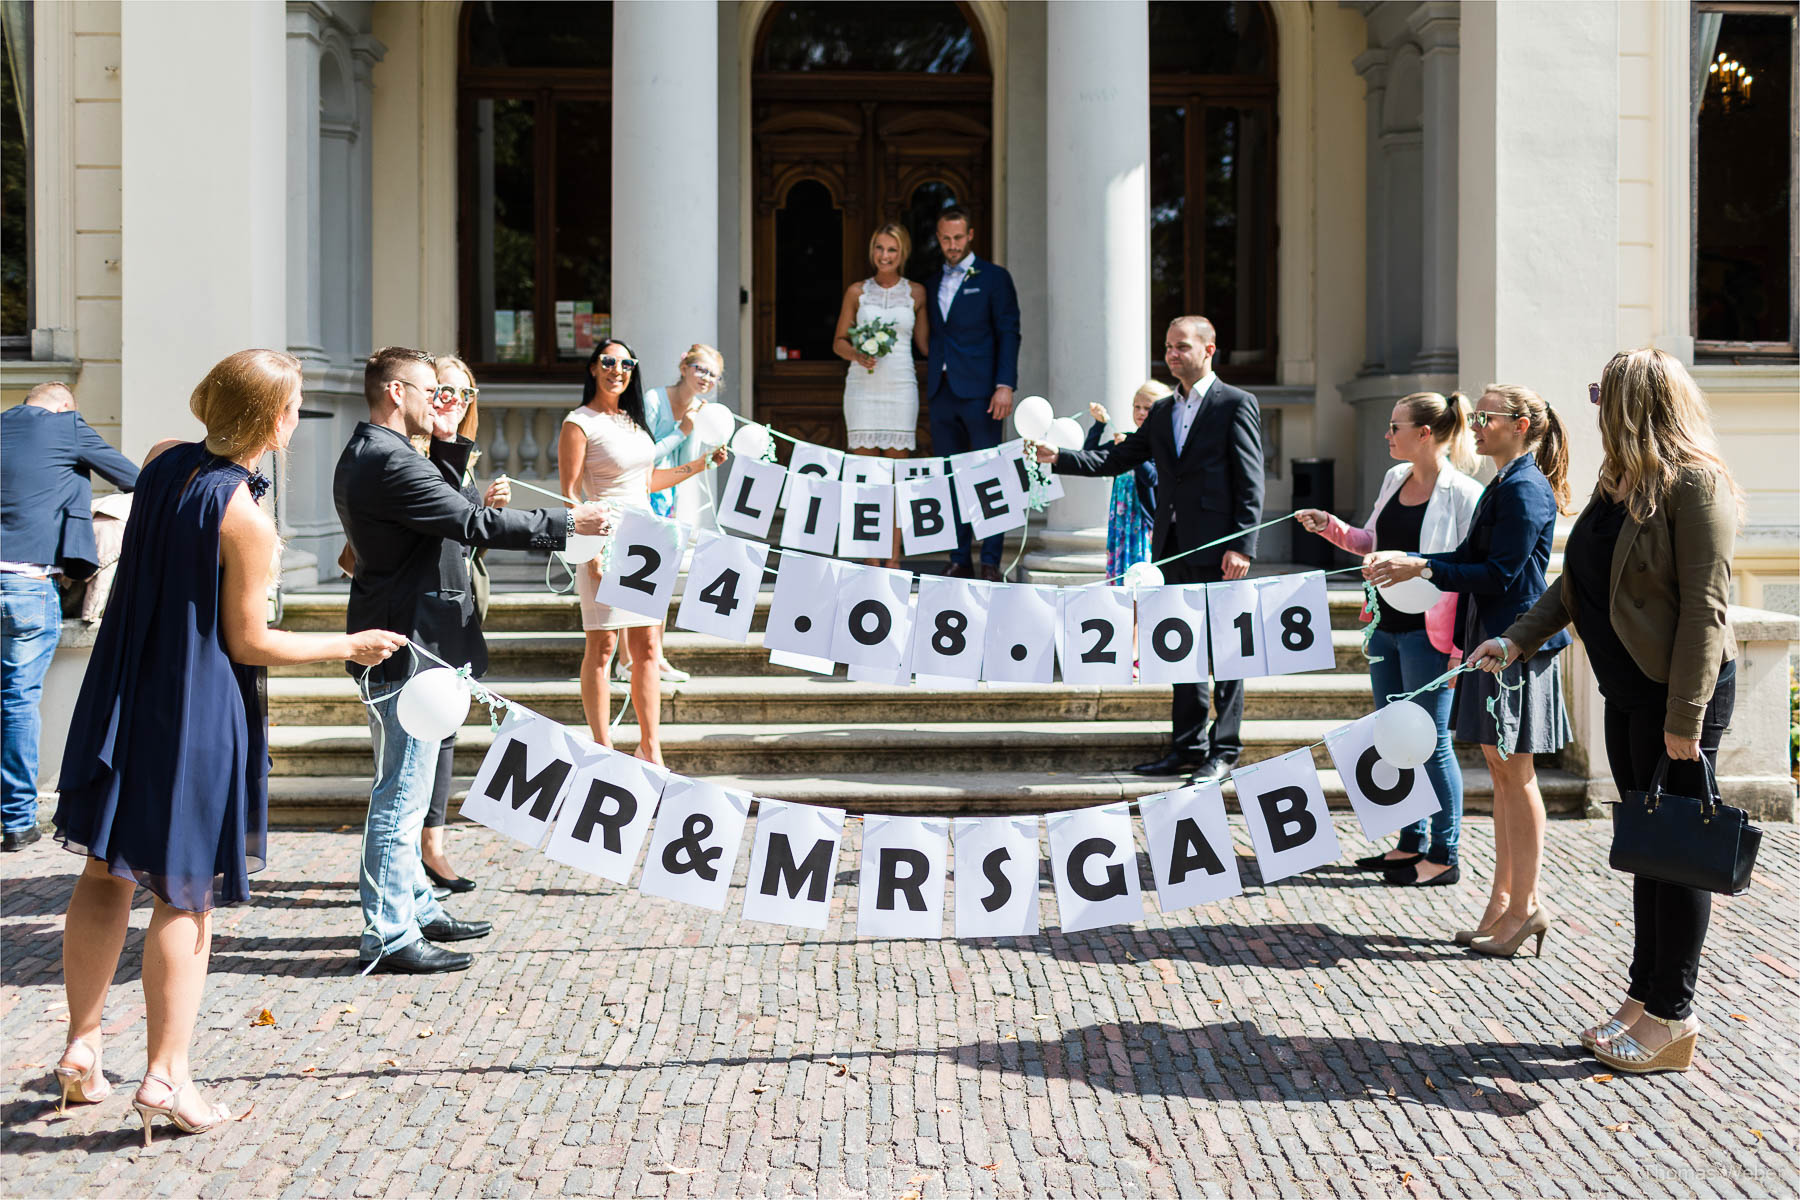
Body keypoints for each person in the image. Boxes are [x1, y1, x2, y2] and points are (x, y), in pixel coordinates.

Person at [51, 349, 408, 1141]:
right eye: (295, 408)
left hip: (125, 690)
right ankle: (166, 1076)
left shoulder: (159, 460)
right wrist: (347, 645)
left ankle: (82, 1046)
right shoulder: (246, 517)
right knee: (185, 894)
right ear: (276, 423)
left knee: (105, 871)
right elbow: (249, 642)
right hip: (195, 708)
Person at [1475, 351, 1740, 1073]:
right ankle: (1641, 998)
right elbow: (1576, 581)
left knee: (1677, 857)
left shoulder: (1697, 484)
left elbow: (1706, 613)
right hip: (1628, 691)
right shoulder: (1619, 481)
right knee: (1647, 851)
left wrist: (1685, 719)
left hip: (1677, 694)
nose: (1592, 403)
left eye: (1602, 392)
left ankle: (1673, 1015)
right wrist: (1516, 638)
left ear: (1635, 401)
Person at [337, 347, 614, 975]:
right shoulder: (385, 461)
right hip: (407, 649)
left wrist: (445, 444)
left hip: (420, 643)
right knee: (401, 797)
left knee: (409, 789)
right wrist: (568, 522)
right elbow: (469, 521)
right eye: (431, 391)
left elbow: (446, 503)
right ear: (395, 391)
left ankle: (417, 907)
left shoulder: (393, 453)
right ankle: (386, 934)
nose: (442, 403)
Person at [1365, 383, 1574, 954]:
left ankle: (1525, 905)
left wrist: (1425, 571)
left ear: (1523, 424)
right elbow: (1469, 558)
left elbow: (1501, 574)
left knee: (1516, 774)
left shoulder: (1526, 487)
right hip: (1492, 642)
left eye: (1488, 416)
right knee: (1501, 775)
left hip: (1516, 646)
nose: (1476, 424)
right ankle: (1503, 902)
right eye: (1476, 415)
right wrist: (1418, 564)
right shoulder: (1504, 483)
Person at [1041, 316, 1264, 785]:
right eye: (1168, 347)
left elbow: (1250, 480)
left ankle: (1224, 750)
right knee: (1180, 650)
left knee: (1224, 654)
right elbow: (1117, 458)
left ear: (1209, 349)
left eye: (1182, 346)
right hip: (1172, 547)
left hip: (1220, 549)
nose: (1173, 354)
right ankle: (1187, 748)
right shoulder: (1163, 412)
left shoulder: (1236, 404)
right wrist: (1058, 458)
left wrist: (1243, 545)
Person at [1296, 392, 1484, 886]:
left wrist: (1461, 650)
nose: (1387, 434)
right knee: (1394, 737)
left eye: (1395, 426)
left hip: (1432, 635)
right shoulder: (1393, 479)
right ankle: (1409, 844)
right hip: (1384, 626)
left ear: (1425, 434)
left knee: (1432, 741)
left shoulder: (1463, 493)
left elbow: (1469, 572)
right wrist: (1330, 527)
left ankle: (1445, 853)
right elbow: (1368, 543)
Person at [559, 340, 726, 762]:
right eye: (609, 362)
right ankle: (603, 749)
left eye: (626, 363)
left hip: (645, 541)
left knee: (648, 646)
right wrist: (589, 549)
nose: (618, 370)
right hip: (604, 538)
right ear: (594, 368)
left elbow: (647, 482)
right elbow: (569, 494)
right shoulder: (578, 422)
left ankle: (650, 748)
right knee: (603, 646)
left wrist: (701, 465)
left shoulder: (634, 421)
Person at [1, 382, 140, 851]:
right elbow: (136, 478)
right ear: (63, 406)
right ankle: (16, 821)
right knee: (17, 701)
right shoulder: (66, 425)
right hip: (25, 584)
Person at [416, 355, 509, 897]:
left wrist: (489, 510)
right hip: (422, 615)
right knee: (422, 739)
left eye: (465, 393)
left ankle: (433, 846)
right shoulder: (414, 455)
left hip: (460, 612)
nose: (455, 400)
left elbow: (465, 538)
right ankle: (419, 852)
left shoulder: (460, 459)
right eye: (445, 389)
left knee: (447, 733)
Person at [924, 206, 1021, 581]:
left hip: (983, 393)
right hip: (942, 392)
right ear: (938, 238)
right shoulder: (931, 284)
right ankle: (959, 556)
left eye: (958, 238)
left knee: (988, 478)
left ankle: (991, 560)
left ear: (971, 235)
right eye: (945, 239)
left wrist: (1004, 385)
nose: (952, 245)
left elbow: (1009, 332)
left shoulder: (995, 278)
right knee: (950, 476)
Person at [632, 343, 727, 683]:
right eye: (701, 369)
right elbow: (645, 459)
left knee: (659, 581)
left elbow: (680, 467)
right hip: (640, 497)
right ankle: (633, 658)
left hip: (666, 501)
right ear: (684, 366)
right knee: (641, 582)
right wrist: (681, 431)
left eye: (713, 375)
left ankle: (655, 655)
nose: (706, 378)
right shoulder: (655, 401)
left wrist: (706, 463)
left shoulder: (701, 410)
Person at [836, 223, 930, 566]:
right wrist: (857, 354)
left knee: (896, 480)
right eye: (879, 248)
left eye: (891, 249)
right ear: (872, 251)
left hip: (901, 387)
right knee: (867, 479)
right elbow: (838, 341)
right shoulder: (856, 292)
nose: (885, 256)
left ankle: (892, 559)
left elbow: (924, 344)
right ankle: (868, 560)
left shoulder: (917, 293)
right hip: (862, 387)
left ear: (902, 253)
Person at [1085, 382, 1168, 583]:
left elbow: (1152, 478)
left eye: (1147, 408)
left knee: (1141, 574)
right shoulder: (1128, 439)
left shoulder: (1162, 444)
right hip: (1121, 522)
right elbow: (1089, 454)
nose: (1140, 412)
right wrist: (1099, 424)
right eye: (1136, 406)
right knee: (1120, 574)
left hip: (1143, 523)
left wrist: (1131, 452)